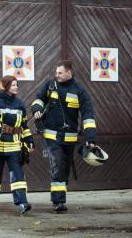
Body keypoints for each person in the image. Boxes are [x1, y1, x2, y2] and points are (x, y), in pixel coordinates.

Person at [31, 60, 97, 212]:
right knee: (58, 164)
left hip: (70, 139)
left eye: (60, 73)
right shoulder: (50, 85)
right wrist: (37, 109)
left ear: (69, 72)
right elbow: (38, 98)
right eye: (56, 72)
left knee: (65, 168)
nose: (57, 75)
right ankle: (58, 202)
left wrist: (90, 137)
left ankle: (60, 193)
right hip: (51, 136)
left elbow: (88, 115)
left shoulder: (80, 90)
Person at [0, 75, 35, 214]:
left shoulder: (20, 104)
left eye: (16, 85)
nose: (16, 87)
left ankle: (22, 203)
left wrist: (29, 140)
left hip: (14, 146)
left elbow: (24, 125)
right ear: (5, 86)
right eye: (13, 85)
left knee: (18, 175)